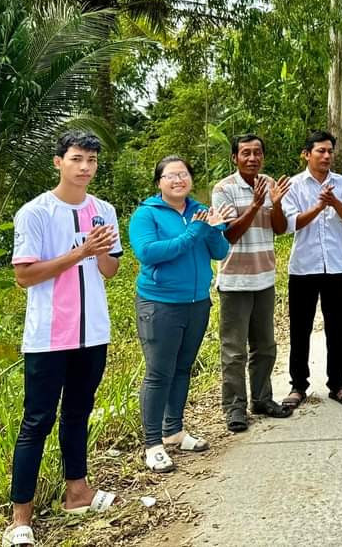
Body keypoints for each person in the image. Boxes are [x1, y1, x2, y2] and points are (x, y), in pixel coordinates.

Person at [5, 132, 122, 547]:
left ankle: (78, 492)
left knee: (78, 412)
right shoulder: (35, 212)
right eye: (76, 159)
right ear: (58, 162)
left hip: (93, 332)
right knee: (37, 420)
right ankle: (21, 517)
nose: (85, 167)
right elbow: (24, 276)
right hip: (48, 336)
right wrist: (80, 251)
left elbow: (109, 271)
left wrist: (101, 251)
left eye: (91, 159)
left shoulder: (104, 210)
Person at [129, 156, 233, 473]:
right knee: (159, 372)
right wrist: (196, 231)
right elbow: (150, 253)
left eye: (184, 174)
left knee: (183, 367)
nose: (178, 180)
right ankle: (152, 444)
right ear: (159, 181)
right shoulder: (146, 215)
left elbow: (220, 251)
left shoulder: (199, 211)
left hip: (197, 302)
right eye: (171, 175)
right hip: (159, 304)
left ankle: (173, 430)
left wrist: (213, 230)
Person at [272, 131, 342, 408]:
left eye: (329, 151)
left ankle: (338, 384)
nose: (326, 156)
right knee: (300, 329)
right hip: (304, 268)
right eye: (320, 151)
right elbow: (289, 225)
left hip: (335, 266)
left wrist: (334, 203)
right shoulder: (294, 185)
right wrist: (318, 206)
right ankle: (298, 386)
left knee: (337, 329)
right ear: (306, 154)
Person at [211, 134, 293, 434]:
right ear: (235, 158)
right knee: (234, 350)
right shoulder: (223, 189)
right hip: (235, 280)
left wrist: (277, 203)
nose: (252, 158)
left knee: (265, 346)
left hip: (264, 278)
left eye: (257, 152)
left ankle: (262, 399)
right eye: (245, 153)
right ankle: (235, 407)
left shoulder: (270, 183)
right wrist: (256, 204)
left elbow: (281, 229)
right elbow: (229, 234)